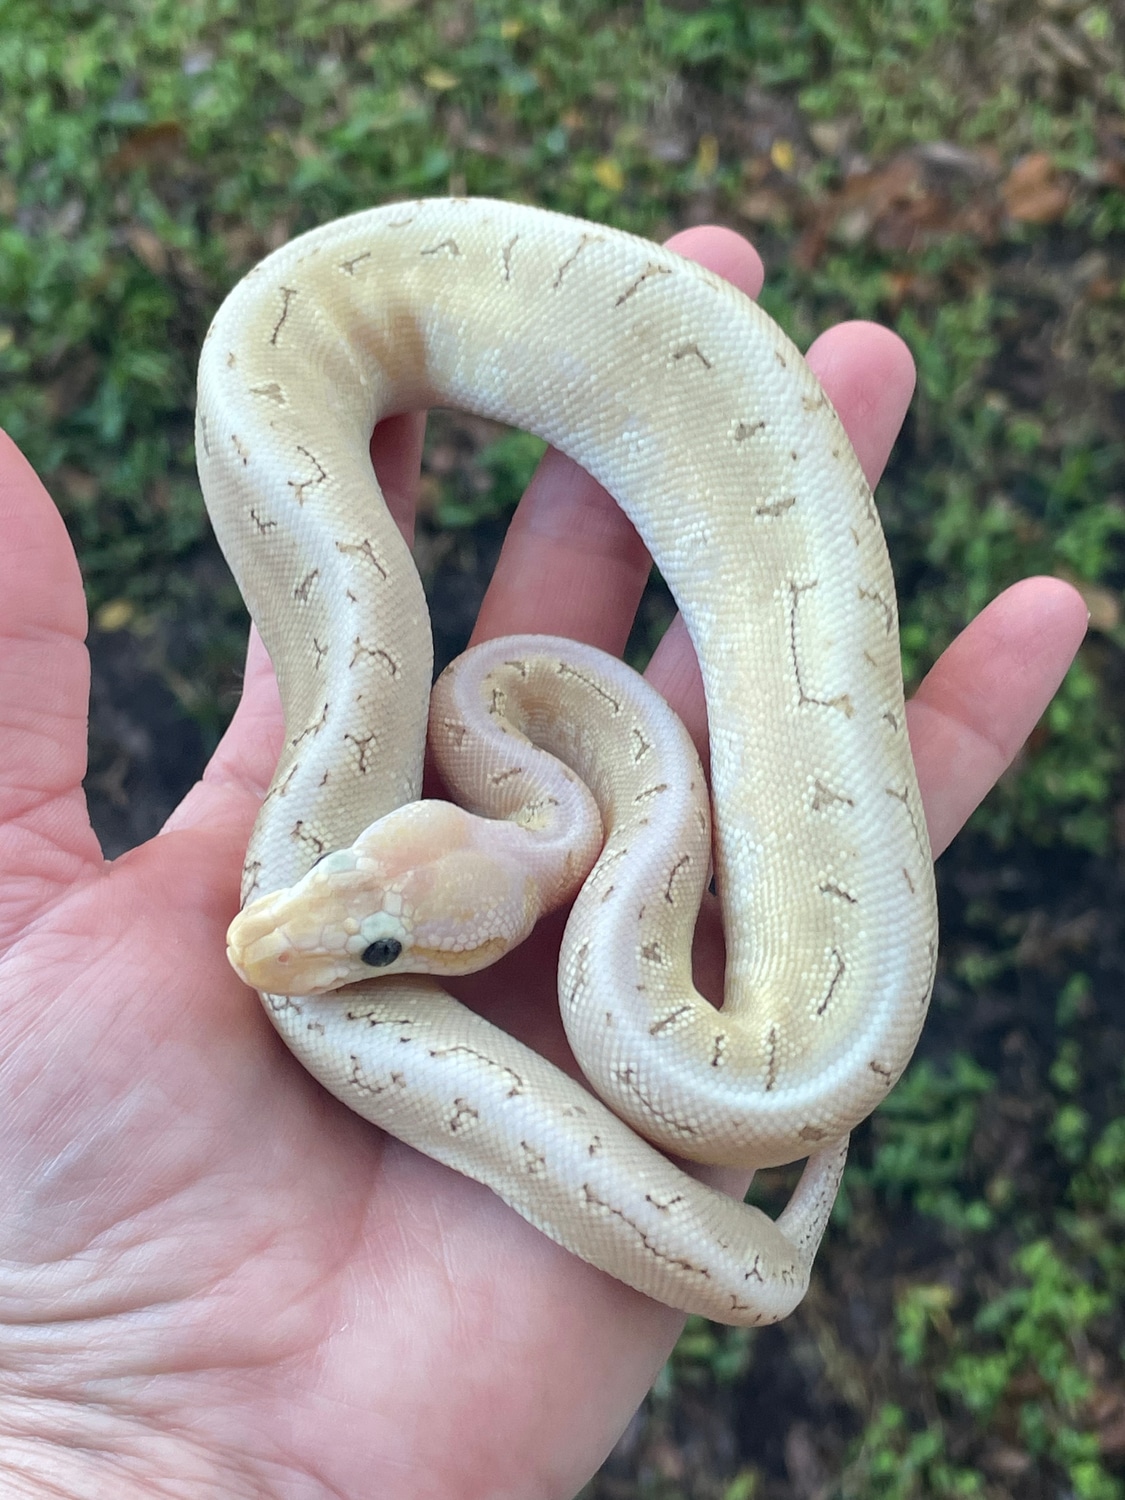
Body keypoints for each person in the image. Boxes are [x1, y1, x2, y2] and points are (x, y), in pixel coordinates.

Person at [0, 223, 1087, 1498]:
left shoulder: (534, 806)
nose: (284, 944)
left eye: (381, 949)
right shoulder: (486, 750)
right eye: (365, 908)